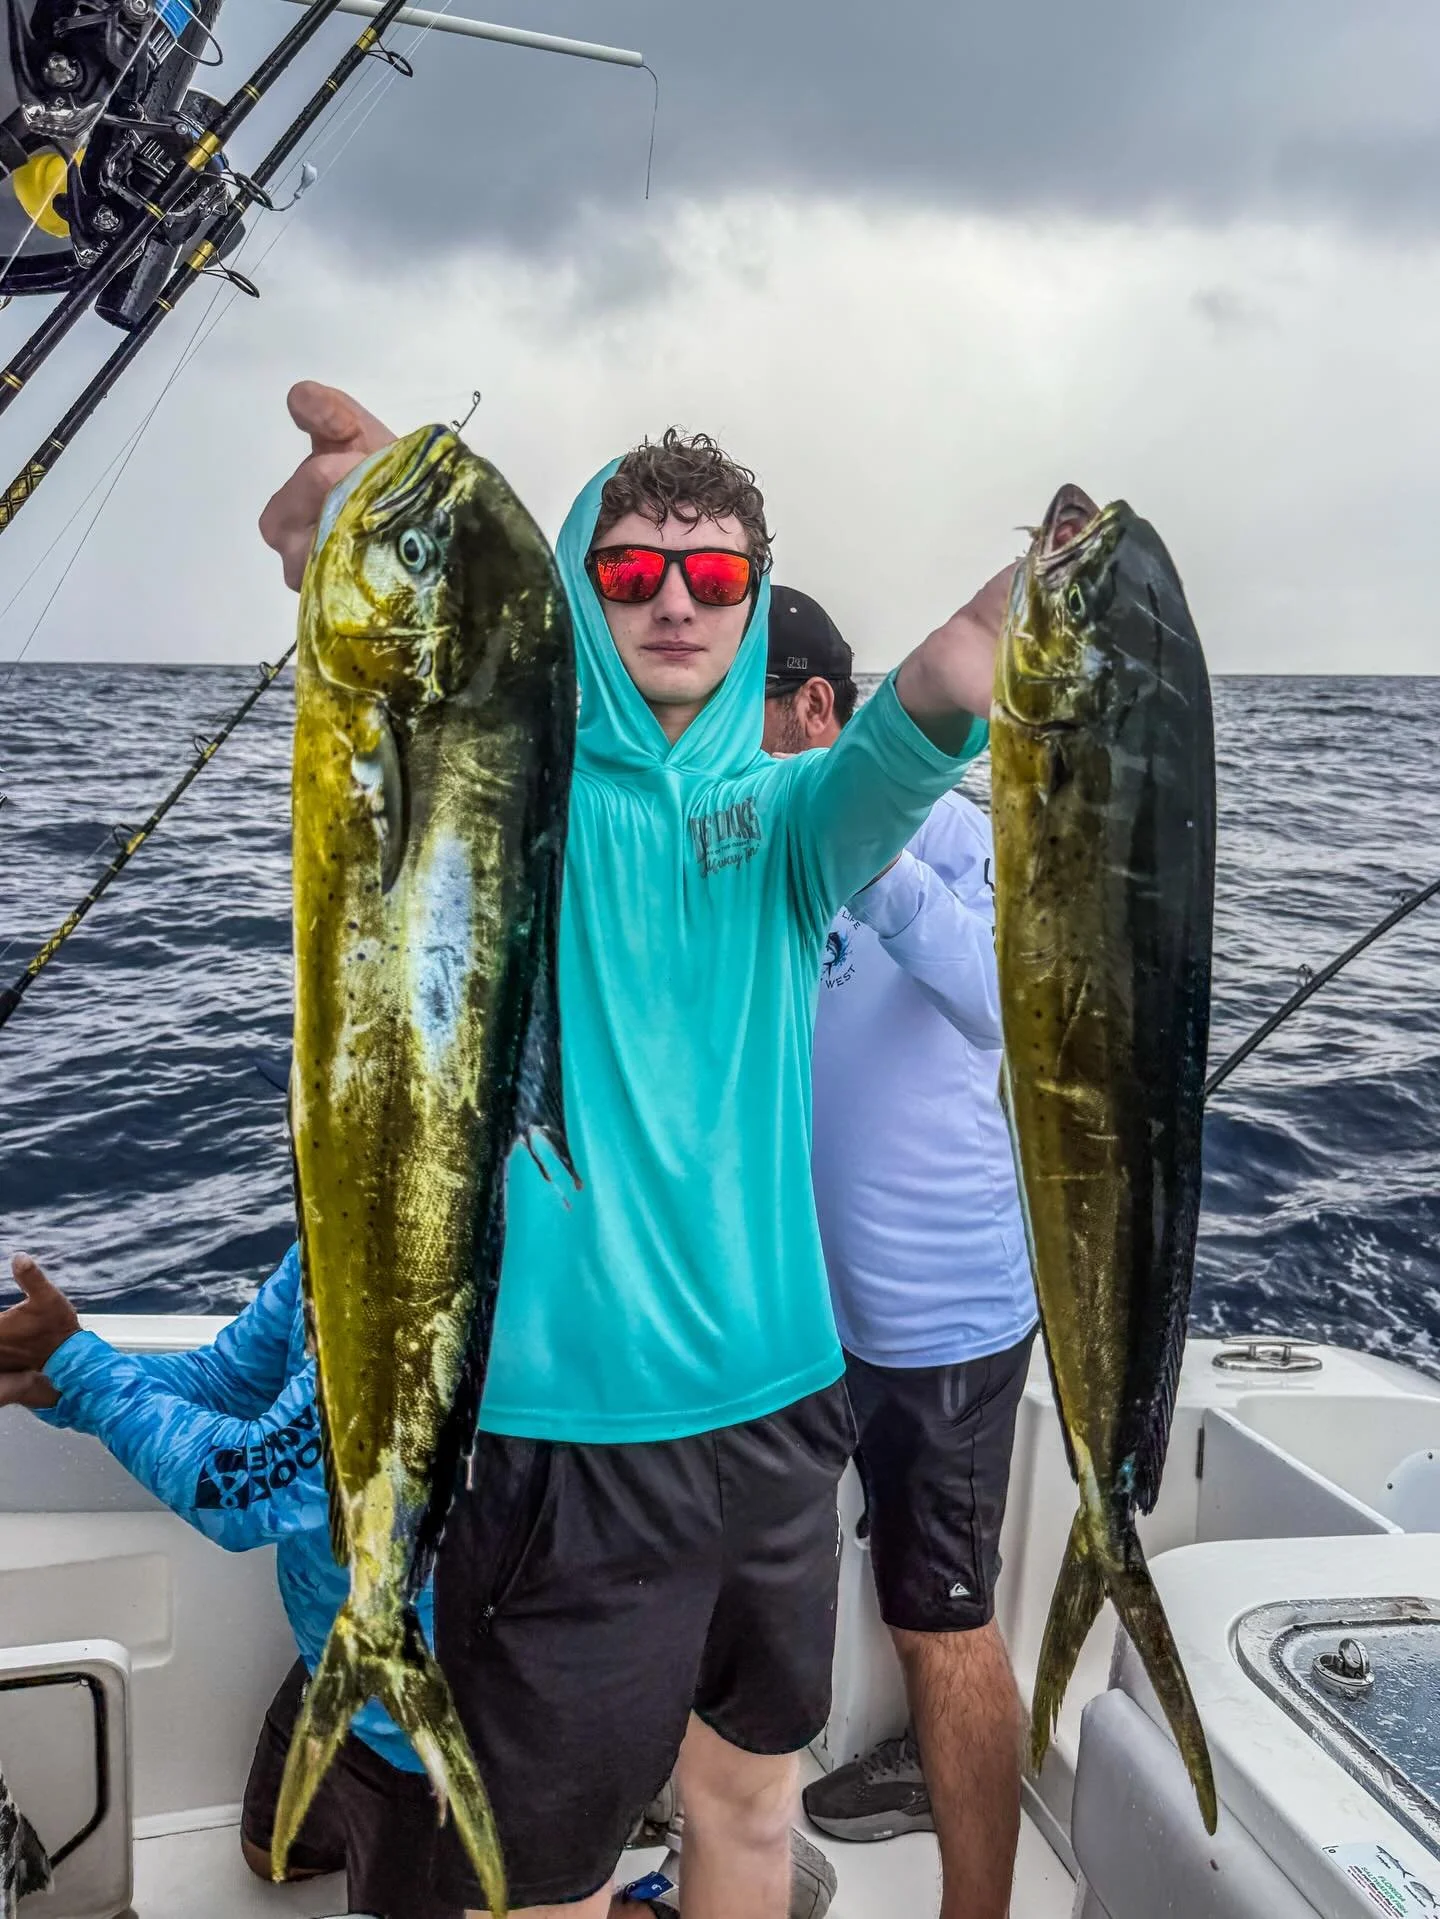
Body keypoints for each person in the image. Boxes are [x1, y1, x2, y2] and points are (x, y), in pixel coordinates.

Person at [6, 383, 1013, 1919]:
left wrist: (1069, 558)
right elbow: (355, 594)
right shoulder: (499, 776)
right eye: (629, 570)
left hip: (785, 1419)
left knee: (747, 1808)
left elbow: (948, 683)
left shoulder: (796, 819)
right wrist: (336, 515)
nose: (675, 597)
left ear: (752, 598)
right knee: (538, 1876)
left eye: (716, 573)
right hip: (559, 1452)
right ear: (572, 590)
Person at [760, 590, 1039, 1919]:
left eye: (736, 709)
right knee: (760, 1592)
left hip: (942, 1319)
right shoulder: (749, 838)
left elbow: (1012, 1002)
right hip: (792, 1312)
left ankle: (974, 1903)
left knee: (940, 1618)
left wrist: (873, 859)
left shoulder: (966, 835)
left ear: (820, 707)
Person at [0, 1245, 463, 1919]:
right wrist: (64, 1379)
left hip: (435, 1713)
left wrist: (86, 1371)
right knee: (273, 1855)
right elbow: (232, 1381)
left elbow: (246, 1489)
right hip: (337, 1651)